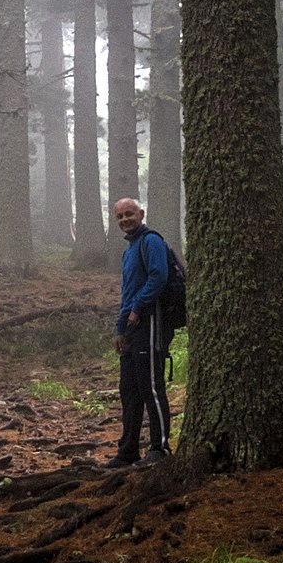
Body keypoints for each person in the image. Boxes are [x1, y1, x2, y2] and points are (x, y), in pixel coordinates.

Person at [109, 197, 173, 465]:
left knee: (151, 388)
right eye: (120, 216)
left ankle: (159, 450)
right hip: (133, 327)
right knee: (129, 390)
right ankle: (127, 452)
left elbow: (159, 276)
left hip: (150, 322)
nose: (125, 219)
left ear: (141, 213)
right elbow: (127, 291)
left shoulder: (151, 242)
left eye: (129, 214)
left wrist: (137, 308)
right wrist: (120, 328)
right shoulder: (129, 250)